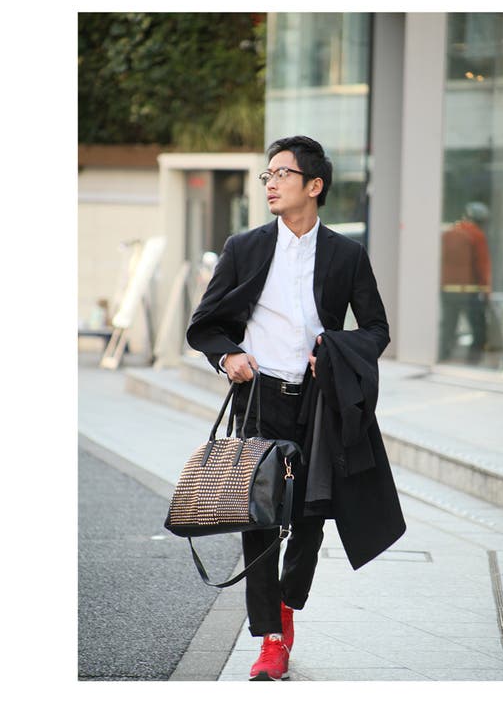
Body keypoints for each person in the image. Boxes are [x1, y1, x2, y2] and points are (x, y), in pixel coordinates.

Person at [186, 136, 406, 681]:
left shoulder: (347, 255)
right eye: (267, 175)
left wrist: (333, 351)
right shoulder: (245, 247)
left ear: (314, 185)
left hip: (318, 404)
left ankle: (286, 605)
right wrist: (228, 356)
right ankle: (270, 639)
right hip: (259, 400)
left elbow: (376, 329)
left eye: (282, 174)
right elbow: (205, 324)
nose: (271, 183)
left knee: (310, 517)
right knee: (258, 516)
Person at [439, 201, 492, 363]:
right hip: (469, 290)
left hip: (447, 289)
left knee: (448, 327)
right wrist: (486, 291)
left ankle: (443, 356)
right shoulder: (477, 235)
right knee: (478, 329)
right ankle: (473, 361)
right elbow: (482, 265)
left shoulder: (448, 233)